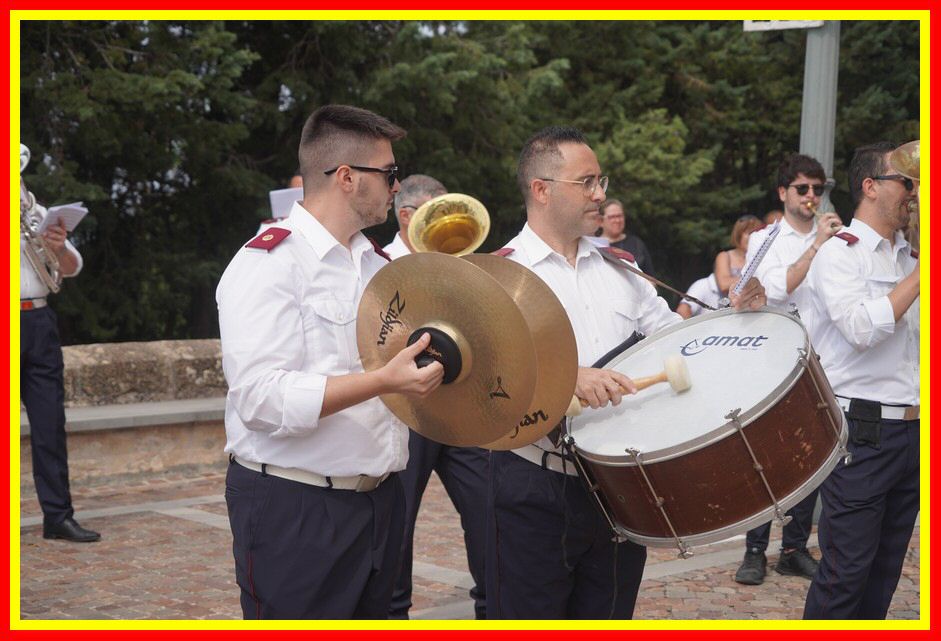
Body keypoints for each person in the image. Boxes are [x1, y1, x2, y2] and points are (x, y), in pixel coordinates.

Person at [486, 126, 767, 619]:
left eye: (602, 181)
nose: (602, 195)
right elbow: (481, 384)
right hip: (535, 485)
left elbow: (678, 347)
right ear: (541, 189)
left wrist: (736, 311)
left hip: (621, 488)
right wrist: (563, 378)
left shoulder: (622, 267)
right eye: (587, 182)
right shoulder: (500, 274)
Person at [216, 105, 445, 619]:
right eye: (388, 174)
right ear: (346, 178)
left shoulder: (377, 264)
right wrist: (381, 381)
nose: (396, 185)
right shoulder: (267, 262)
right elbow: (259, 398)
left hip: (379, 501)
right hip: (295, 508)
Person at [803, 142, 920, 619]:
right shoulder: (839, 255)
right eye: (907, 182)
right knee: (846, 573)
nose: (916, 193)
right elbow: (860, 330)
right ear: (871, 187)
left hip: (912, 430)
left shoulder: (909, 256)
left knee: (885, 571)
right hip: (862, 428)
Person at [733, 153, 843, 586]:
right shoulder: (765, 238)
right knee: (767, 458)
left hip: (823, 362)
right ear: (783, 193)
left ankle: (794, 548)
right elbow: (777, 287)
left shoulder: (837, 237)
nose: (812, 196)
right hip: (772, 362)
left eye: (818, 189)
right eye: (803, 188)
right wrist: (817, 244)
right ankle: (755, 549)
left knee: (814, 456)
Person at [384, 175, 490, 620]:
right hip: (404, 411)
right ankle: (393, 613)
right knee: (397, 519)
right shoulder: (377, 265)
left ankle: (496, 602)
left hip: (458, 403)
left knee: (490, 506)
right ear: (407, 216)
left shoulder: (458, 263)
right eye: (436, 211)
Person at [20, 144, 100, 543]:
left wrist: (55, 246)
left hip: (37, 319)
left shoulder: (33, 211)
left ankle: (58, 516)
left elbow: (72, 268)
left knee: (50, 423)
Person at [598, 198, 654, 273]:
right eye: (612, 217)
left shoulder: (636, 244)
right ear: (601, 221)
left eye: (619, 216)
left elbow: (650, 278)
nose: (617, 220)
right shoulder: (595, 246)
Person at [713, 215, 764, 296]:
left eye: (757, 233)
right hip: (731, 307)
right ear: (738, 234)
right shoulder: (725, 256)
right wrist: (755, 280)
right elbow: (724, 284)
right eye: (750, 233)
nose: (754, 237)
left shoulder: (764, 257)